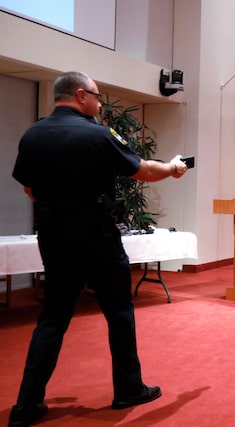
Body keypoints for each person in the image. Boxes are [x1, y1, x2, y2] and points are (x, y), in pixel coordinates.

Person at [8, 71, 188, 427]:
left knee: (53, 318)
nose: (100, 103)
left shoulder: (33, 135)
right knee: (118, 312)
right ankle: (128, 389)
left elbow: (29, 190)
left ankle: (26, 405)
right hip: (97, 237)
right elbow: (143, 171)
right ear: (80, 95)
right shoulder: (99, 134)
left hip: (54, 237)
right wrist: (173, 168)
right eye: (96, 96)